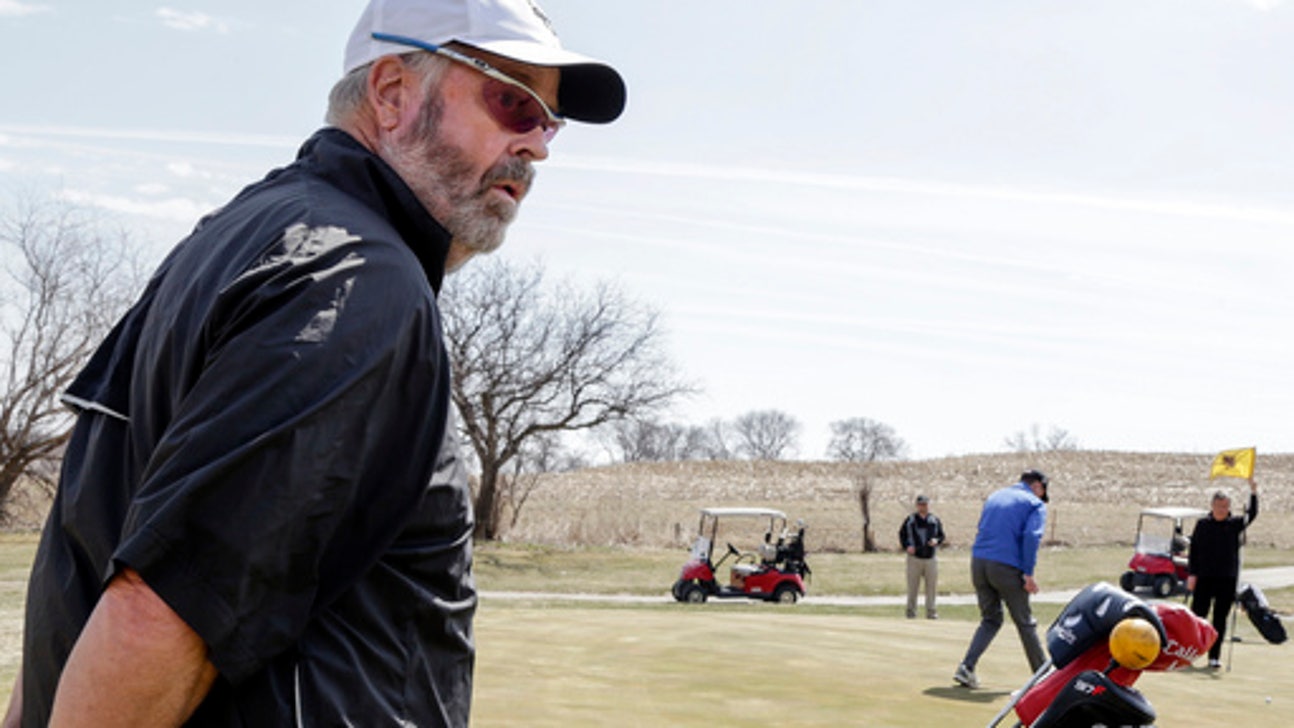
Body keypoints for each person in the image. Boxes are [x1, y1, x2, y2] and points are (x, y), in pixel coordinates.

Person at [2, 1, 625, 726]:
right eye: (514, 100)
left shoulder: (236, 238)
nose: (538, 145)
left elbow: (70, 582)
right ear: (392, 93)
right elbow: (162, 610)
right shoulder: (356, 282)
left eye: (549, 120)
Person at [954, 470, 1050, 689]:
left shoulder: (995, 496)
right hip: (1006, 566)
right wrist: (1028, 573)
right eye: (1042, 492)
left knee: (991, 619)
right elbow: (1031, 537)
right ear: (1037, 486)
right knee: (1025, 622)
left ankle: (966, 667)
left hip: (979, 563)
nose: (1042, 497)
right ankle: (1044, 677)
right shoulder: (1034, 504)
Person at [1187, 477, 1259, 669]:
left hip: (1226, 578)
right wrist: (1192, 574)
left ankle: (1214, 657)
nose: (1222, 509)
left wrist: (1253, 491)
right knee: (1197, 617)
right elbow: (1194, 550)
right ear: (1212, 505)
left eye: (1225, 506)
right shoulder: (1203, 524)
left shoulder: (1235, 524)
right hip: (1204, 577)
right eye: (1219, 505)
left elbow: (1252, 514)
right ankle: (1190, 654)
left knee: (1220, 618)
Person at [899, 494, 946, 619]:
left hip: (930, 558)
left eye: (925, 504)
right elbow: (902, 535)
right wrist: (907, 546)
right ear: (917, 506)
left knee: (931, 587)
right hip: (914, 558)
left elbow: (941, 536)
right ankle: (911, 612)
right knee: (912, 587)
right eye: (920, 504)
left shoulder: (934, 521)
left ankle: (931, 612)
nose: (923, 507)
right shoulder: (910, 521)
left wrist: (936, 541)